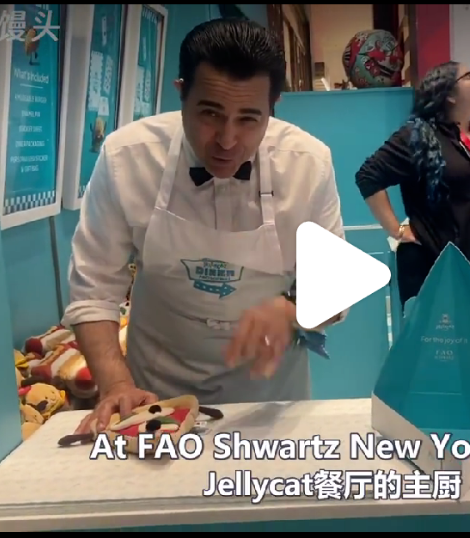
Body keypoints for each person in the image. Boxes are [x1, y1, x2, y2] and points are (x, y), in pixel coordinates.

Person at [65, 18, 346, 434]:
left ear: (273, 105)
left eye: (249, 119)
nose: (227, 140)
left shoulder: (308, 164)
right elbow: (94, 291)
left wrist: (291, 309)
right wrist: (117, 385)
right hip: (154, 397)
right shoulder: (127, 157)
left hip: (271, 400)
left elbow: (336, 287)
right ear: (181, 93)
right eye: (210, 114)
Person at [355, 61, 470, 337]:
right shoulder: (418, 136)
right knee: (452, 360)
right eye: (469, 77)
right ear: (449, 94)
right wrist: (396, 229)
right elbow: (368, 176)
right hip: (442, 279)